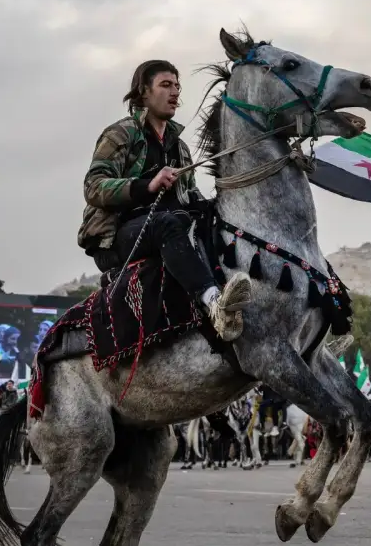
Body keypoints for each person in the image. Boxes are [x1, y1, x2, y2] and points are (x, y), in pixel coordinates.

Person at [76, 59, 252, 341]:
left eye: (177, 86)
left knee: (212, 220)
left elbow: (190, 196)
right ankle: (213, 302)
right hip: (115, 238)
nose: (175, 92)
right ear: (144, 91)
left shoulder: (179, 147)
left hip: (166, 226)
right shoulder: (121, 134)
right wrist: (149, 184)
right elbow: (93, 187)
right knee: (166, 223)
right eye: (166, 85)